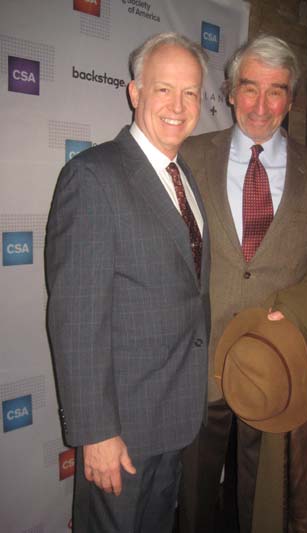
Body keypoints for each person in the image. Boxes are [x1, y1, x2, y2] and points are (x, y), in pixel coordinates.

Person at [178, 34, 307, 533]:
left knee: (264, 505)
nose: (260, 104)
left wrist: (298, 314)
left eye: (275, 91)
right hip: (197, 360)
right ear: (230, 92)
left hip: (274, 362)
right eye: (249, 88)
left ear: (290, 99)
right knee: (193, 500)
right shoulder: (187, 156)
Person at [45, 32, 210, 533]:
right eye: (164, 90)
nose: (178, 106)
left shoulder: (186, 178)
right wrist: (96, 433)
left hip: (173, 420)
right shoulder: (93, 177)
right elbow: (76, 318)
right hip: (119, 435)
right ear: (135, 93)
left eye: (190, 93)